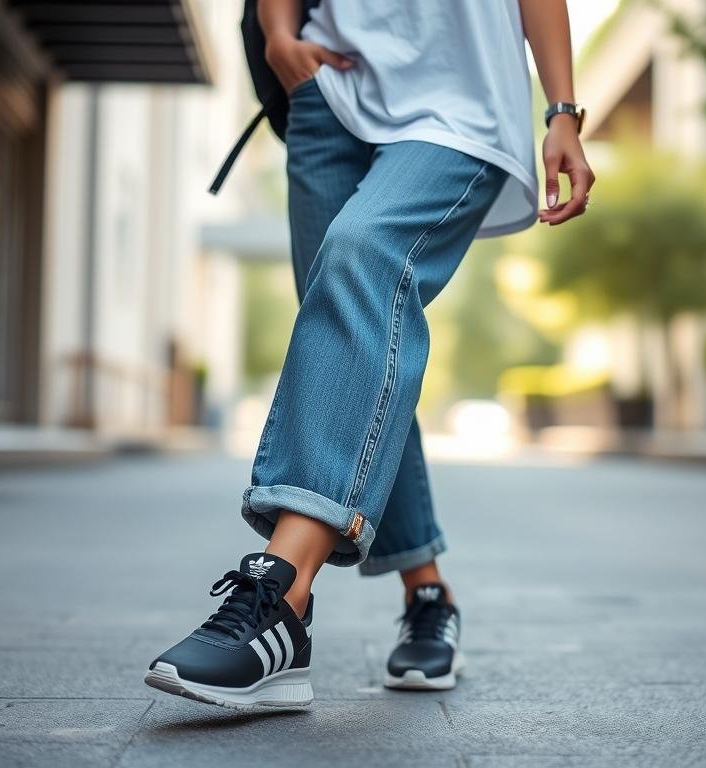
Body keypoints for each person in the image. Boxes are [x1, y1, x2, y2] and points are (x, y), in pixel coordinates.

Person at [145, 0, 594, 709]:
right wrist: (277, 36)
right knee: (355, 345)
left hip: (462, 103)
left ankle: (281, 595)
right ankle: (428, 595)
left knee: (360, 273)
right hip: (329, 88)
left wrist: (563, 109)